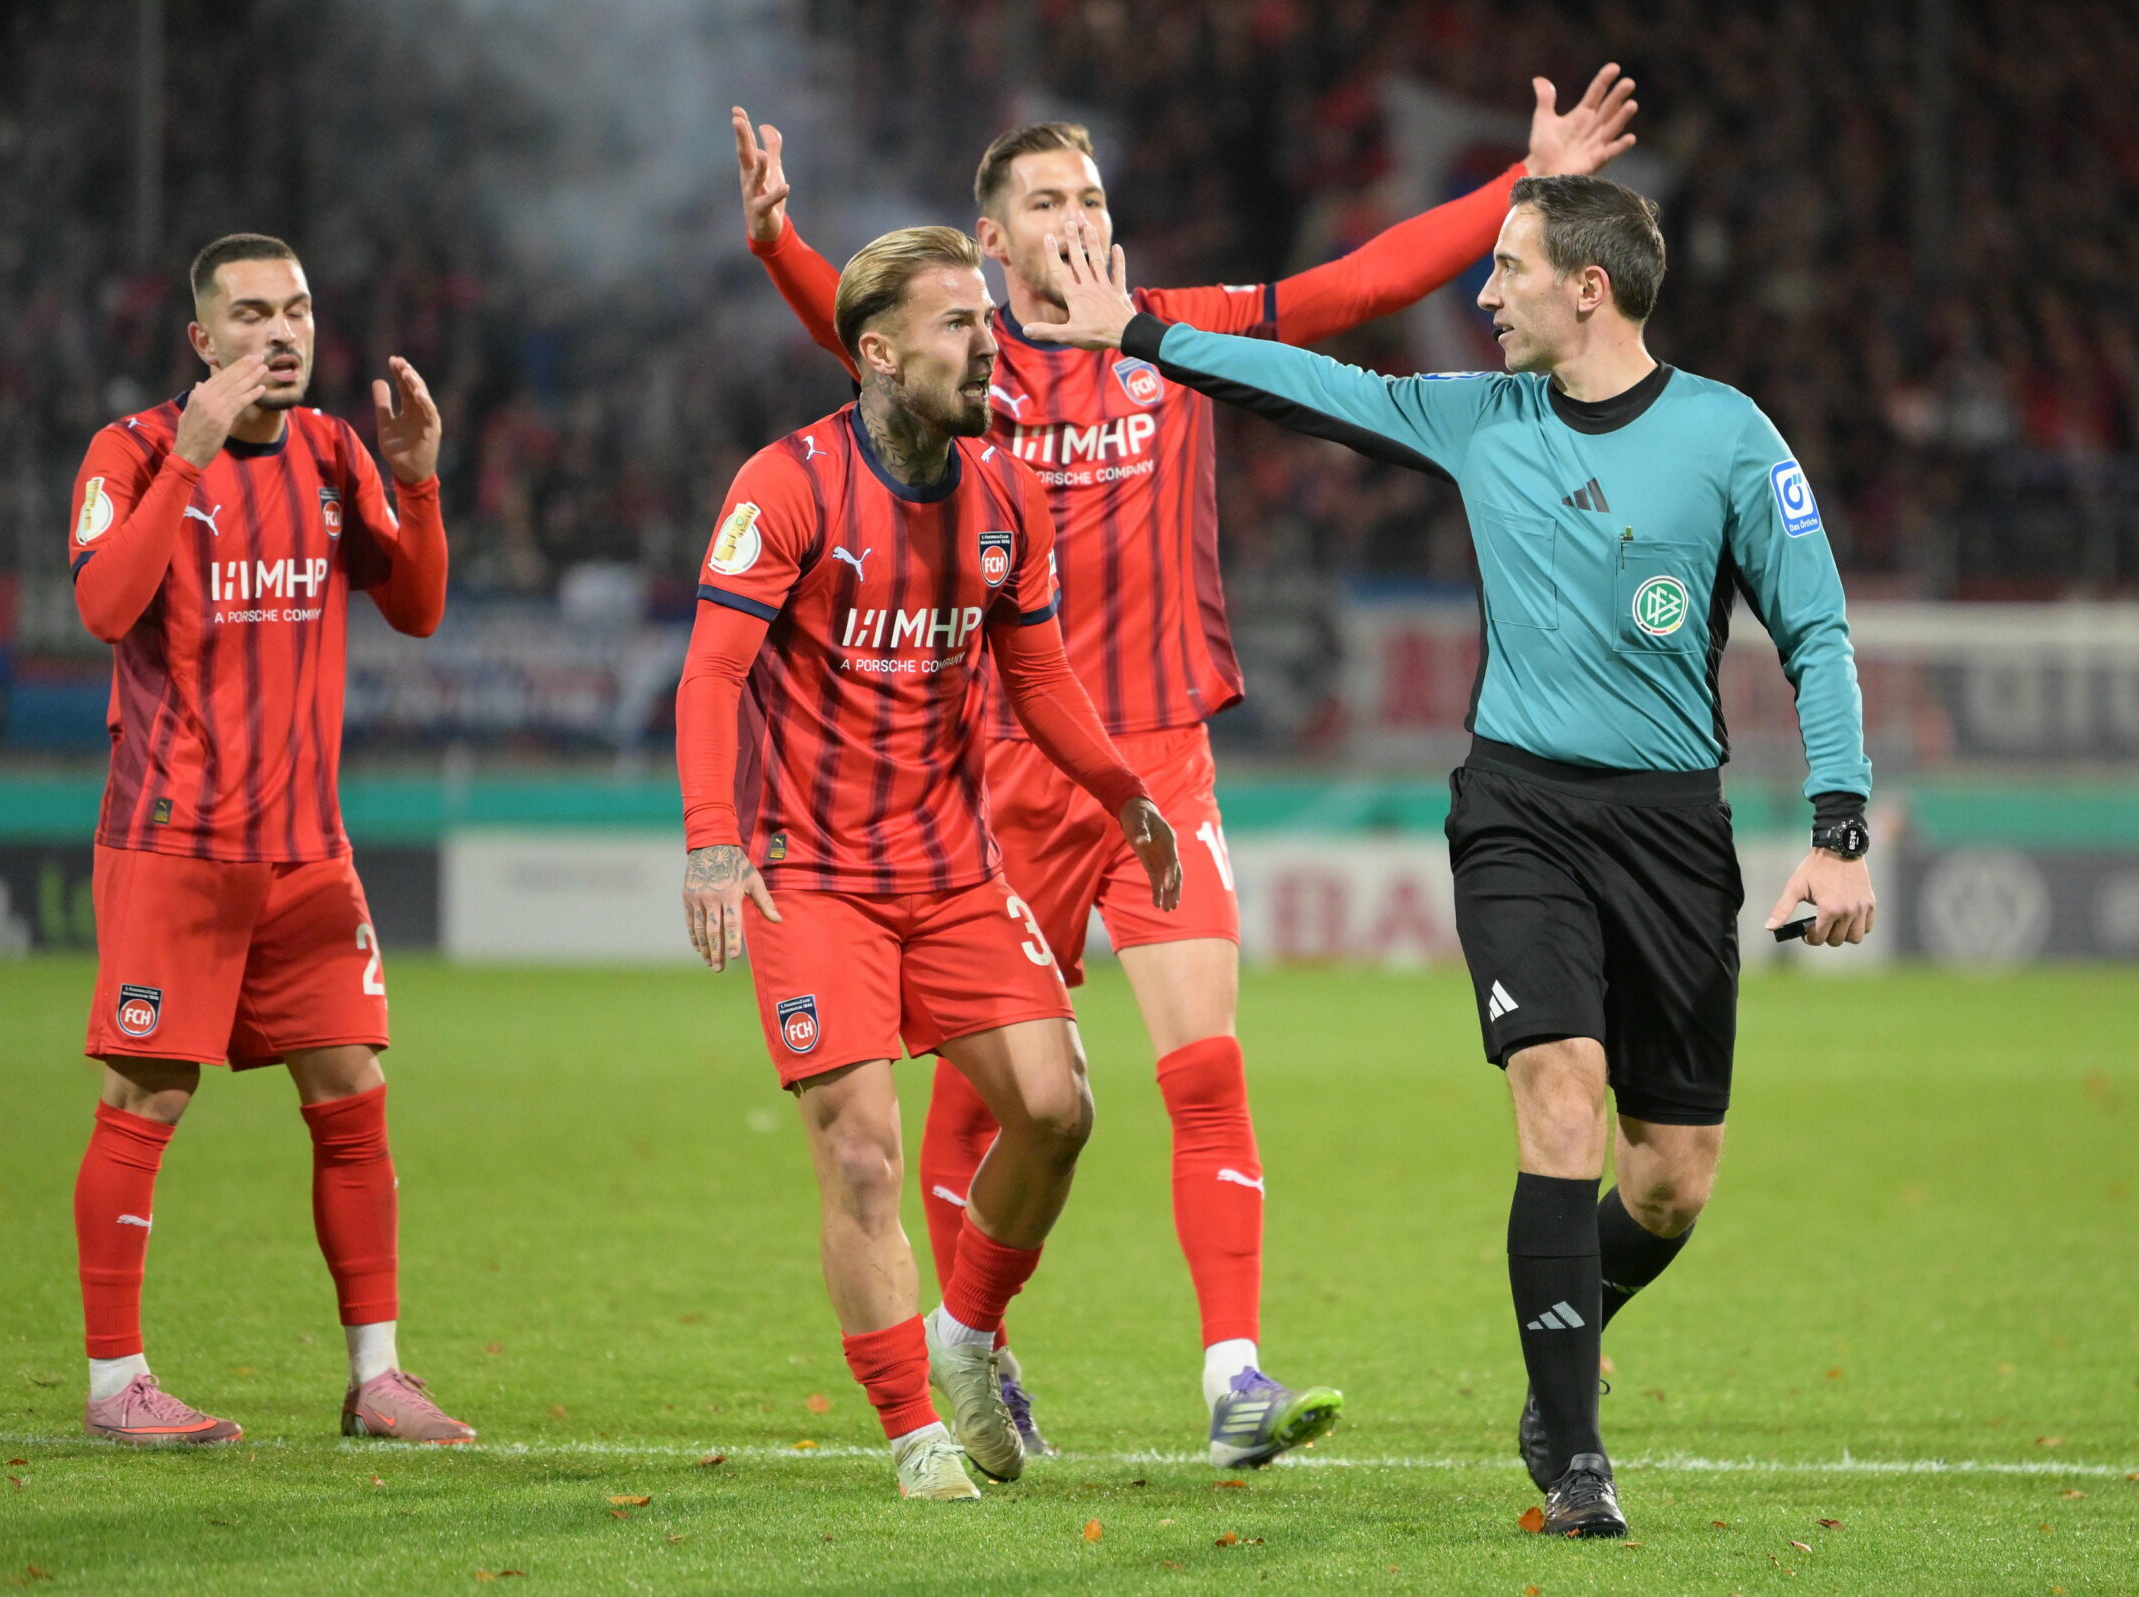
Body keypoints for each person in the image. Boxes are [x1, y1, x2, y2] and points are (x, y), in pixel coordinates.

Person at [727, 66, 1640, 1466]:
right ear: (992, 242)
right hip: (1003, 778)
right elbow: (854, 339)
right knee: (995, 1102)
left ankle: (1232, 1380)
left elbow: (1357, 284)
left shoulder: (1176, 334)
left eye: (1090, 193)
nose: (1077, 213)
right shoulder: (976, 372)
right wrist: (783, 242)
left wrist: (1518, 191)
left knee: (1205, 1064)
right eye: (1045, 199)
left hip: (1158, 762)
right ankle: (981, 1342)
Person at [1019, 173, 1877, 1536]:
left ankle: (1561, 1349)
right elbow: (1310, 385)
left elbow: (1817, 634)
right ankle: (1577, 1455)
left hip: (1671, 830)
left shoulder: (1728, 438)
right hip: (1519, 814)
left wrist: (1839, 832)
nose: (1484, 295)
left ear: (1587, 288)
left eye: (1512, 271)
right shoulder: (1483, 419)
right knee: (1558, 1095)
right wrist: (1137, 332)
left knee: (1670, 1175)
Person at [675, 225, 1181, 1501]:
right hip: (814, 877)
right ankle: (913, 1430)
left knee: (1061, 1109)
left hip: (952, 872)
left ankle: (964, 1332)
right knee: (859, 1154)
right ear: (880, 352)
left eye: (986, 319)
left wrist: (1122, 791)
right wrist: (711, 842)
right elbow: (712, 673)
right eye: (960, 324)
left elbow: (1038, 673)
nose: (989, 341)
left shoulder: (1005, 492)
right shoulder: (784, 487)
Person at [66, 233, 468, 1446]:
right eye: (251, 315)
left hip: (306, 853)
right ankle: (113, 1382)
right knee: (145, 1094)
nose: (281, 332)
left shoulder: (339, 451)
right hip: (172, 845)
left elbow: (417, 609)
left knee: (354, 1092)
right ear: (202, 341)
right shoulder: (130, 452)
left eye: (295, 309)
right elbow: (102, 607)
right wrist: (187, 462)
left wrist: (422, 482)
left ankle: (378, 1374)